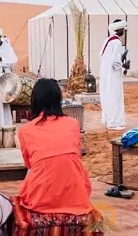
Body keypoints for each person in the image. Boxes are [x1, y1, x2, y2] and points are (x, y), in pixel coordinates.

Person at [17, 78, 92, 214]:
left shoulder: (25, 130)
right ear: (58, 99)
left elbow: (29, 164)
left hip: (39, 199)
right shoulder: (73, 124)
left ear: (34, 101)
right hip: (77, 197)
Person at [99, 19, 130, 130]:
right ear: (120, 30)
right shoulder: (117, 42)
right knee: (114, 97)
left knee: (107, 96)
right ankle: (114, 123)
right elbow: (115, 63)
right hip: (113, 76)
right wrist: (124, 65)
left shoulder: (107, 41)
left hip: (105, 75)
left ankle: (108, 119)